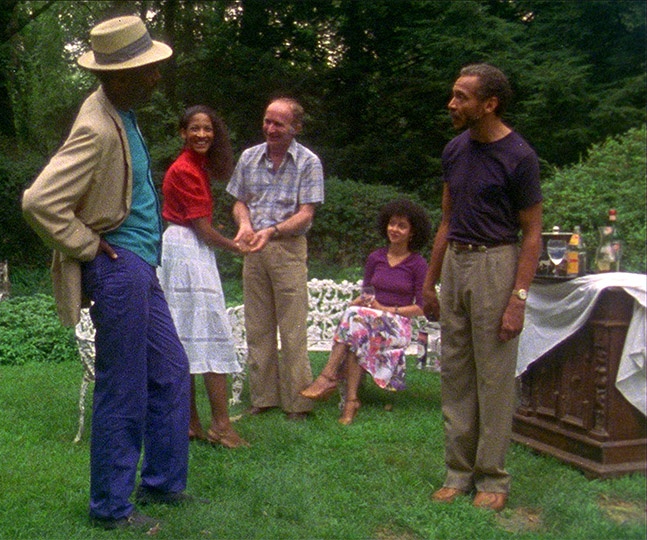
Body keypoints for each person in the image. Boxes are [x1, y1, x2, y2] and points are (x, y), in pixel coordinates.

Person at [22, 16, 203, 533]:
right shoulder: (98, 127)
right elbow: (39, 201)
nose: (155, 78)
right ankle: (110, 507)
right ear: (119, 75)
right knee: (123, 387)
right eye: (146, 71)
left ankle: (164, 483)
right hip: (119, 268)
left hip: (141, 266)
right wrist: (89, 244)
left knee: (169, 371)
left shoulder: (120, 111)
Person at [422, 63, 543, 513]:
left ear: (489, 104)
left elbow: (532, 232)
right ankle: (458, 472)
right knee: (455, 371)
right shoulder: (454, 150)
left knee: (493, 376)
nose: (452, 104)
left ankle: (493, 475)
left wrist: (518, 298)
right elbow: (447, 220)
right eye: (453, 95)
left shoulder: (519, 157)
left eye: (461, 97)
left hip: (497, 262)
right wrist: (429, 282)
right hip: (456, 261)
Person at [226, 97, 324, 421]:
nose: (270, 128)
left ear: (295, 127)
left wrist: (272, 230)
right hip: (254, 249)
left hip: (288, 248)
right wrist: (245, 224)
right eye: (267, 121)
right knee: (258, 326)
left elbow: (306, 214)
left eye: (278, 123)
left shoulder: (309, 162)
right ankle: (264, 399)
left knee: (293, 329)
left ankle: (298, 404)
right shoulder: (249, 157)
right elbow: (240, 202)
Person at [157, 105, 249, 449]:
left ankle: (191, 422)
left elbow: (201, 224)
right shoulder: (185, 169)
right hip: (186, 251)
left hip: (185, 248)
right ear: (182, 133)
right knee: (208, 331)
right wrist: (234, 245)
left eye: (207, 129)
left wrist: (219, 237)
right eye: (194, 129)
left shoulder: (195, 167)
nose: (201, 135)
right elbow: (202, 229)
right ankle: (220, 427)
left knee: (187, 333)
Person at [300, 199, 431, 425]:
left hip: (397, 325)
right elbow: (366, 293)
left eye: (402, 226)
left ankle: (327, 376)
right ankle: (351, 402)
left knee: (356, 324)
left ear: (412, 232)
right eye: (392, 224)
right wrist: (359, 302)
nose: (395, 229)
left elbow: (421, 308)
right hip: (369, 322)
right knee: (358, 332)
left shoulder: (417, 264)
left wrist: (385, 309)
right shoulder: (376, 258)